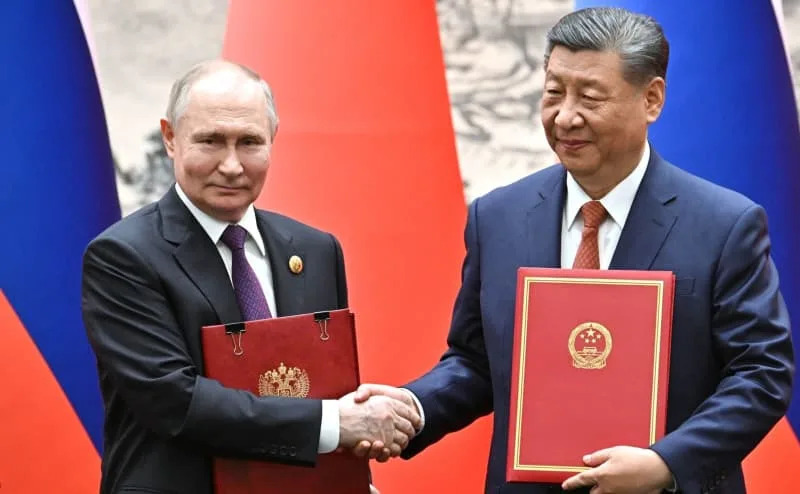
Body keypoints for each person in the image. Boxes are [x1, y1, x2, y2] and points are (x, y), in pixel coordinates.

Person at [354, 7, 794, 494]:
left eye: (590, 97)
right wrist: (410, 407)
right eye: (553, 93)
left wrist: (665, 463)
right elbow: (477, 361)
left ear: (651, 99)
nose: (565, 116)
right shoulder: (497, 218)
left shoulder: (724, 224)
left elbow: (761, 373)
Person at [81, 60, 419, 494]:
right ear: (170, 138)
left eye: (250, 142)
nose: (232, 165)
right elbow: (175, 402)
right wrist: (338, 423)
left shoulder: (316, 251)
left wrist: (351, 477)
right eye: (211, 141)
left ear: (272, 141)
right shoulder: (123, 257)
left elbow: (322, 385)